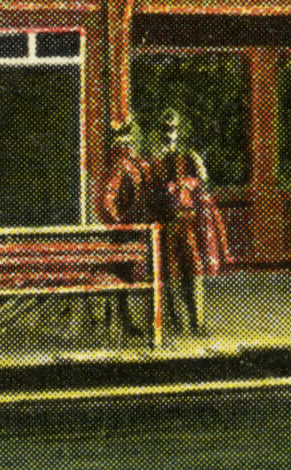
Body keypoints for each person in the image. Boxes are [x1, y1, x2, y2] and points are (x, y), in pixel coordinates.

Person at [152, 107, 230, 337]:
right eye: (165, 129)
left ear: (179, 132)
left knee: (194, 270)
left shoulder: (189, 157)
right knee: (169, 272)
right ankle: (177, 323)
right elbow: (152, 193)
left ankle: (197, 322)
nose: (169, 134)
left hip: (189, 222)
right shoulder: (155, 160)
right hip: (167, 223)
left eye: (172, 129)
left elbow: (203, 188)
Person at [96, 119, 154, 339]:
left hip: (136, 229)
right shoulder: (124, 165)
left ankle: (128, 321)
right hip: (130, 231)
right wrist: (120, 222)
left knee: (131, 275)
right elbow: (106, 199)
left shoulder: (133, 164)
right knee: (128, 276)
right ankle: (127, 323)